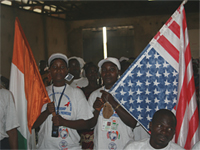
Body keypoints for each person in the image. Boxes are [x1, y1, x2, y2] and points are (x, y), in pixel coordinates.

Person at [32, 53, 95, 150]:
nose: (58, 70)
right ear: (49, 70)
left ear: (67, 70)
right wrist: (46, 112)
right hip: (45, 147)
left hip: (70, 147)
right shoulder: (41, 93)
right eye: (54, 67)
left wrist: (64, 122)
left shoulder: (76, 93)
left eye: (62, 67)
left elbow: (86, 124)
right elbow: (32, 124)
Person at [88, 57, 137, 150]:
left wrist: (112, 101)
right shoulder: (95, 95)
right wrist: (96, 110)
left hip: (124, 145)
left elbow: (132, 123)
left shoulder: (127, 94)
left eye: (111, 69)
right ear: (101, 73)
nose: (107, 73)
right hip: (102, 145)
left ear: (118, 72)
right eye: (104, 70)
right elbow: (89, 126)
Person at [78, 62, 101, 149]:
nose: (93, 74)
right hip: (87, 126)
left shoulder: (102, 90)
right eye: (90, 72)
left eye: (95, 71)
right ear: (86, 74)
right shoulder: (81, 92)